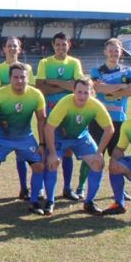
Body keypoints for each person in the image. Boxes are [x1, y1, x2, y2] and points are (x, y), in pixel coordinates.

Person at [76, 37, 131, 199]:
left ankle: (119, 191)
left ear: (121, 52)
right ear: (105, 52)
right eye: (110, 51)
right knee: (92, 154)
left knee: (117, 157)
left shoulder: (128, 71)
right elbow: (98, 88)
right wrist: (121, 87)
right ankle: (81, 186)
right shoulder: (97, 71)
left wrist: (109, 90)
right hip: (99, 120)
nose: (113, 54)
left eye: (116, 51)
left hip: (119, 120)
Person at [43, 77, 114, 216]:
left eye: (86, 93)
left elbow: (109, 129)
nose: (82, 96)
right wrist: (52, 153)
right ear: (73, 91)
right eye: (79, 92)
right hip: (60, 137)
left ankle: (89, 202)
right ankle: (50, 201)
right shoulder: (65, 103)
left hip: (81, 137)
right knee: (52, 163)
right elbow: (49, 128)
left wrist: (99, 152)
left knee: (97, 164)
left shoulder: (95, 105)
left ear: (92, 93)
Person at [0, 63, 48, 215]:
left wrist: (42, 143)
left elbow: (41, 120)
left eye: (23, 77)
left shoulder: (36, 94)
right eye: (16, 77)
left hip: (25, 138)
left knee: (39, 166)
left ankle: (34, 201)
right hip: (2, 138)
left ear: (27, 78)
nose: (19, 80)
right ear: (10, 78)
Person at [35, 32, 84, 201]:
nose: (61, 47)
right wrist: (66, 85)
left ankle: (67, 188)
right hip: (49, 111)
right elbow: (40, 88)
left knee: (68, 151)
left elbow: (77, 87)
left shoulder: (74, 62)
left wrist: (53, 81)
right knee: (49, 150)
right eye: (58, 45)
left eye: (64, 44)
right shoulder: (44, 62)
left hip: (70, 113)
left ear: (68, 45)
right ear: (53, 45)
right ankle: (42, 188)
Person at [0, 36, 36, 200]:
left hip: (22, 118)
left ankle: (24, 188)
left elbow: (30, 89)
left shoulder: (27, 68)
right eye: (9, 46)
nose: (12, 49)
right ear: (4, 49)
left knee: (22, 155)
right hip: (3, 120)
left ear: (20, 49)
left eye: (15, 46)